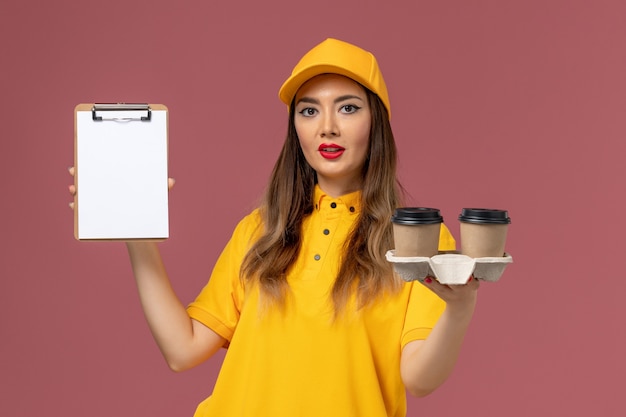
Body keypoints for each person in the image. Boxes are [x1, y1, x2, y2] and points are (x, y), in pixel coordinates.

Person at [69, 38, 480, 416]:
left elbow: (420, 379)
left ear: (377, 122)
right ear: (295, 127)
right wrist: (137, 231)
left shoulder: (416, 237)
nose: (328, 126)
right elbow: (183, 349)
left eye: (349, 107)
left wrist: (460, 309)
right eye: (309, 110)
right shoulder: (260, 230)